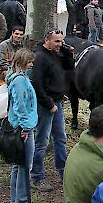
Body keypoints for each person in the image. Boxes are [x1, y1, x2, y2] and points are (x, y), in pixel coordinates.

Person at [30, 29, 74, 192]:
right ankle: (37, 177)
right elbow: (36, 84)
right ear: (46, 41)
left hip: (57, 102)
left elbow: (70, 68)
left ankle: (64, 172)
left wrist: (69, 54)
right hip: (46, 105)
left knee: (60, 139)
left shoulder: (57, 54)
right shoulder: (40, 57)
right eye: (57, 41)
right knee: (42, 141)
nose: (60, 44)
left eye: (61, 41)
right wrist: (49, 104)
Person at [7, 48, 37, 203]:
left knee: (18, 164)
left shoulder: (19, 78)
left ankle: (16, 199)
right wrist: (25, 127)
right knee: (25, 164)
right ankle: (22, 201)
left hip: (19, 127)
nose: (32, 64)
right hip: (23, 128)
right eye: (29, 62)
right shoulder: (19, 81)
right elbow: (21, 106)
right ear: (20, 62)